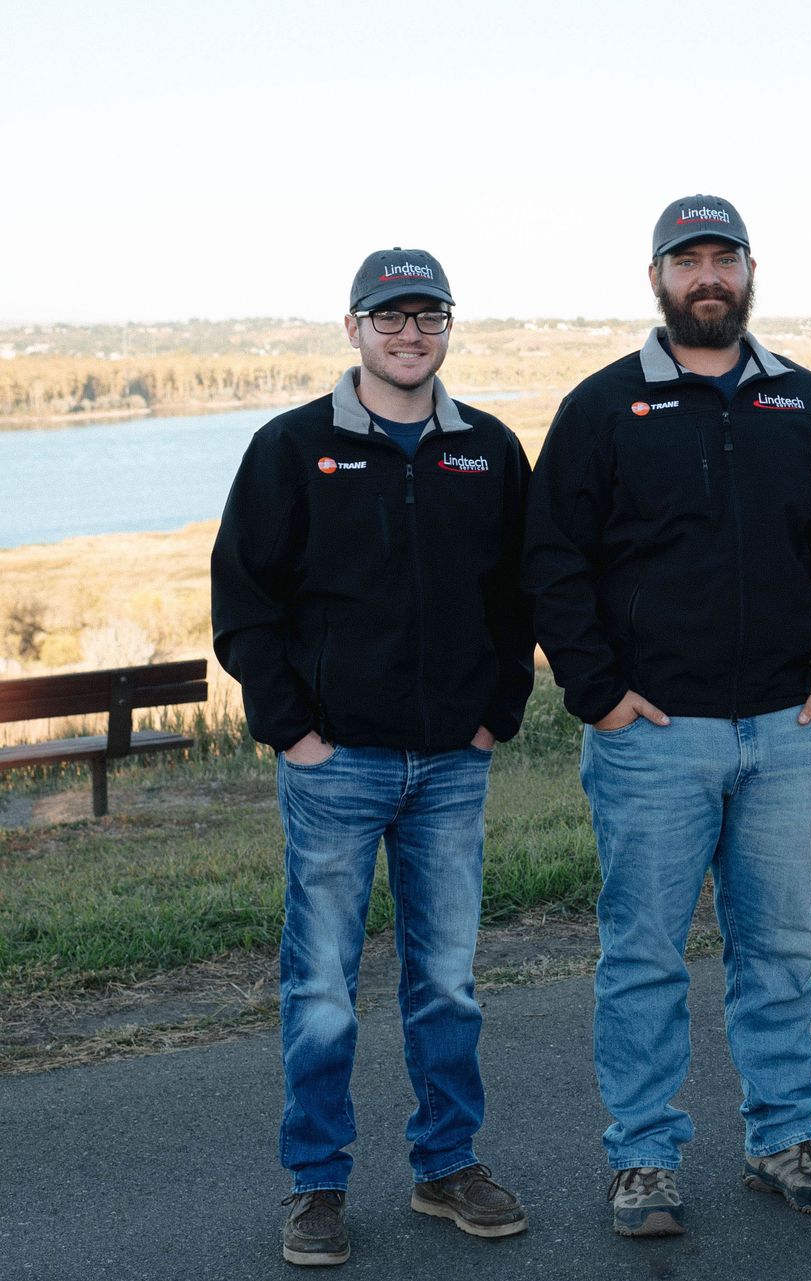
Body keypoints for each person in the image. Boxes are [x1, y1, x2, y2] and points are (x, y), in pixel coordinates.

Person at [522, 194, 811, 1237]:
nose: (707, 275)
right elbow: (553, 560)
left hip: (787, 732)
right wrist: (596, 692)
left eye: (723, 258)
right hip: (654, 739)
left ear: (750, 272)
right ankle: (643, 1157)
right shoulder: (604, 407)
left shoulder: (804, 403)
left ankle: (782, 1137)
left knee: (781, 949)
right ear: (657, 279)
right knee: (644, 954)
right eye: (689, 261)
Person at [211, 248, 535, 1266]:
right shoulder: (292, 447)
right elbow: (245, 603)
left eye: (427, 316)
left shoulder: (486, 450)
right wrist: (293, 730)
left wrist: (497, 714)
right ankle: (316, 1185)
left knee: (447, 981)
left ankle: (447, 1167)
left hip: (451, 765)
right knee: (320, 986)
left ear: (448, 326)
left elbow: (520, 595)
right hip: (335, 765)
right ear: (353, 328)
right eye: (389, 317)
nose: (410, 334)